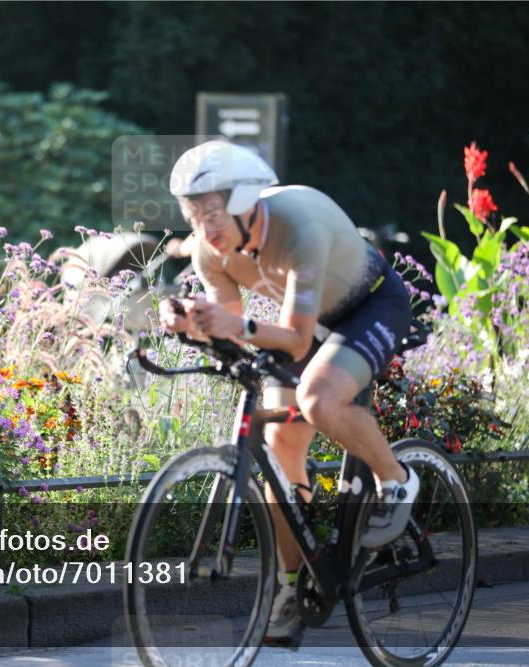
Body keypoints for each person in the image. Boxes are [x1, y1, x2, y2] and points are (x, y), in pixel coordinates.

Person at [158, 140, 420, 648]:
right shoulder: (210, 249)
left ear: (243, 202)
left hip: (368, 307)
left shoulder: (299, 226)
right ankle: (293, 586)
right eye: (194, 214)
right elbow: (236, 329)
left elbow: (296, 339)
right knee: (280, 449)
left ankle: (397, 480)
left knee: (320, 400)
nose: (205, 228)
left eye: (213, 212)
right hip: (304, 320)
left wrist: (236, 322)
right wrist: (192, 322)